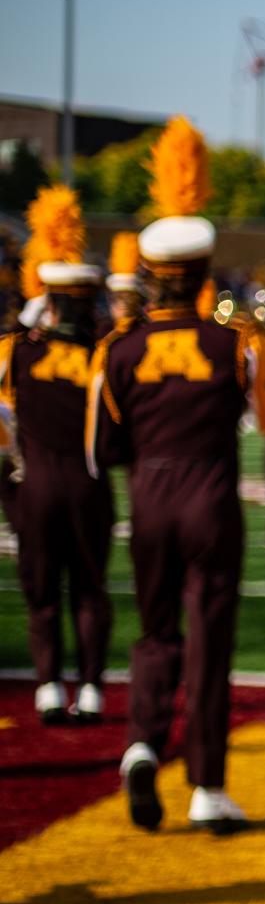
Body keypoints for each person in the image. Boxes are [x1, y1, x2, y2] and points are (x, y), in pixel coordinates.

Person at [91, 117, 265, 832]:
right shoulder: (232, 345)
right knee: (209, 640)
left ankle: (140, 743)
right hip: (212, 498)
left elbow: (102, 448)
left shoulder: (120, 351)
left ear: (151, 276)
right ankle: (207, 788)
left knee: (155, 632)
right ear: (200, 272)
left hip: (150, 499)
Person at [4, 185, 113, 725]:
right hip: (90, 485)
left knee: (41, 588)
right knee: (90, 589)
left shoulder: (17, 353)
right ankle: (90, 687)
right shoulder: (102, 357)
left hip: (37, 488)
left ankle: (48, 685)